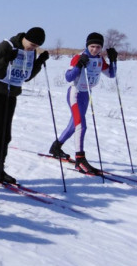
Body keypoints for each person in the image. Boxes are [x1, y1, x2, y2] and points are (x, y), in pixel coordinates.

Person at [0, 27, 49, 184]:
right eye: (31, 44)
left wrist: (39, 62)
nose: (32, 48)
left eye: (36, 47)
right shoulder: (8, 45)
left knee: (6, 134)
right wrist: (5, 60)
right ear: (25, 38)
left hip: (12, 94)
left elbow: (26, 76)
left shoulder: (31, 52)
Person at [48, 32, 117, 175]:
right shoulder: (79, 57)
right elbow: (68, 77)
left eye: (98, 47)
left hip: (86, 94)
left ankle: (56, 147)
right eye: (92, 46)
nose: (95, 49)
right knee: (81, 125)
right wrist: (79, 65)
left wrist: (114, 61)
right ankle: (80, 159)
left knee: (74, 124)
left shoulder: (99, 59)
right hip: (75, 94)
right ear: (87, 45)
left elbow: (111, 74)